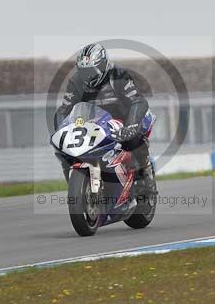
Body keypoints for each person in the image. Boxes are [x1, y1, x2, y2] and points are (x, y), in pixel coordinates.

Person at [54, 43, 157, 199]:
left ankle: (145, 178)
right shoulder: (76, 81)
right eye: (84, 72)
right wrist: (60, 132)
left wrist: (131, 125)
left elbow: (137, 101)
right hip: (93, 123)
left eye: (91, 71)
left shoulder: (119, 76)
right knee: (64, 152)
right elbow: (64, 109)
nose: (87, 76)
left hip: (124, 119)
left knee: (133, 140)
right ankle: (81, 188)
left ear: (103, 66)